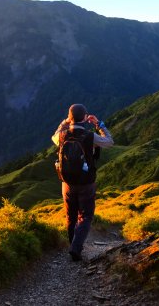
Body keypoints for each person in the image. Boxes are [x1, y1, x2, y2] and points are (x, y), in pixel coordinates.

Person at [51, 103, 114, 261]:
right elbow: (109, 142)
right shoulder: (90, 136)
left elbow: (54, 136)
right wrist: (99, 125)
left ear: (70, 117)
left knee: (70, 216)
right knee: (85, 216)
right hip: (86, 183)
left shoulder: (61, 135)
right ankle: (76, 248)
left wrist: (66, 121)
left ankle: (73, 244)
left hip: (67, 183)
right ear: (85, 118)